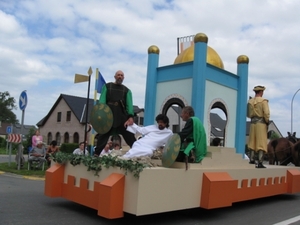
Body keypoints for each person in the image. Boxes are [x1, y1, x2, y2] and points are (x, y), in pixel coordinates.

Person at [94, 70, 136, 156]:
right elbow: (102, 102)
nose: (120, 77)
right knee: (103, 134)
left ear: (123, 78)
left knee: (129, 134)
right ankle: (96, 154)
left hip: (121, 116)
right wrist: (101, 113)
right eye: (118, 75)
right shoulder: (107, 87)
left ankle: (138, 151)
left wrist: (130, 116)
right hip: (108, 115)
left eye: (121, 75)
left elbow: (129, 105)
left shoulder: (127, 90)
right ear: (115, 76)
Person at [247, 85, 270, 168]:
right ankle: (260, 162)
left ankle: (252, 159)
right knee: (261, 142)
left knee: (252, 141)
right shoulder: (264, 101)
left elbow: (248, 114)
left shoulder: (250, 101)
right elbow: (266, 113)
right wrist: (267, 121)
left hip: (253, 123)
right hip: (261, 123)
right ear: (261, 92)